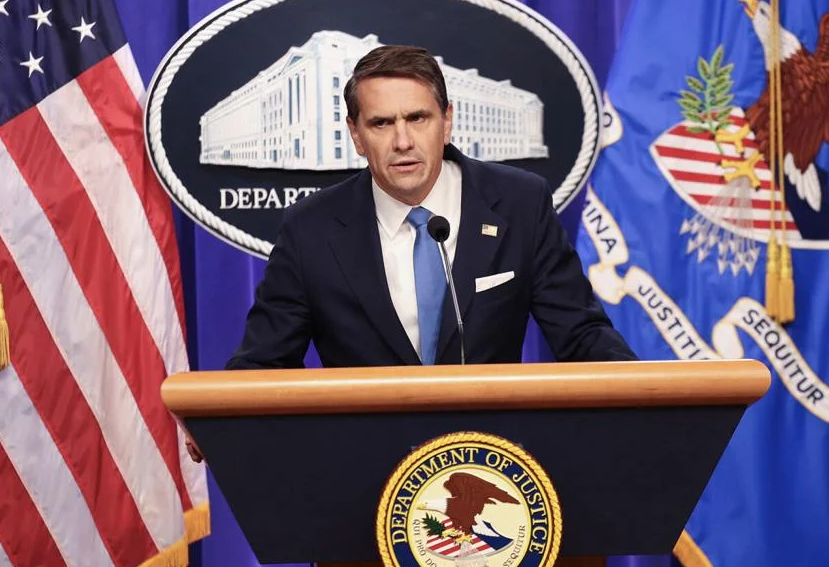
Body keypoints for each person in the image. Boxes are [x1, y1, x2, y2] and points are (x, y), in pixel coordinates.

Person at [224, 44, 636, 371]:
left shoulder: (518, 204)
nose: (403, 141)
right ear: (356, 134)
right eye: (382, 123)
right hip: (367, 450)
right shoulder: (311, 228)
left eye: (418, 118)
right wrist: (216, 420)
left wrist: (647, 403)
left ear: (447, 121)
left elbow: (581, 335)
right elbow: (263, 362)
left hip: (488, 446)